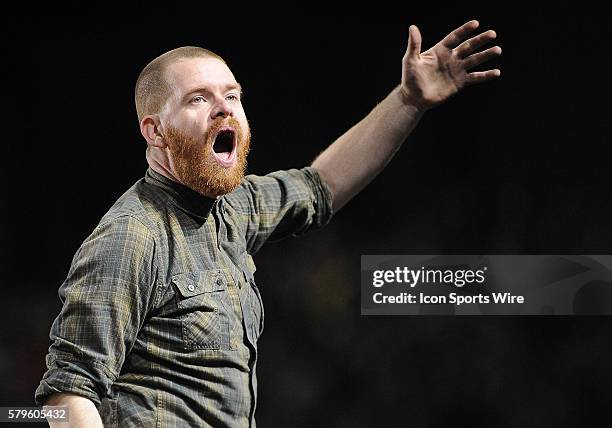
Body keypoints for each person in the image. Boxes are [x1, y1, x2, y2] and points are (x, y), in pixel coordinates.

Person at [35, 20, 501, 427]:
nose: (224, 109)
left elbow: (322, 186)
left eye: (232, 96)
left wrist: (408, 101)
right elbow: (68, 395)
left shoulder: (233, 208)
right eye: (199, 99)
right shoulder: (131, 237)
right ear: (155, 132)